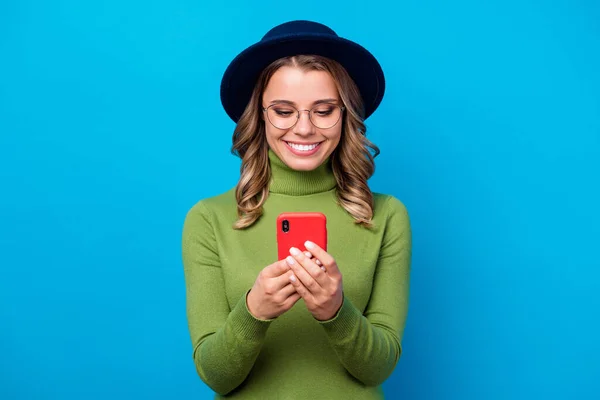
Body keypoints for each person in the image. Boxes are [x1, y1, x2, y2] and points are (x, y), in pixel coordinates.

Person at [182, 20, 412, 399]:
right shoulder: (209, 218)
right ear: (259, 115)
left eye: (323, 110)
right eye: (284, 111)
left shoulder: (385, 215)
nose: (304, 129)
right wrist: (254, 310)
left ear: (347, 115)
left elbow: (379, 367)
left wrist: (336, 310)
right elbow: (215, 375)